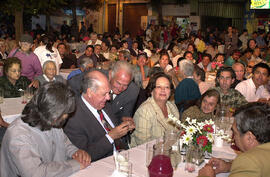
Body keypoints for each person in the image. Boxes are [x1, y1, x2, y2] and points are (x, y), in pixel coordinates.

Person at [0, 82, 91, 177]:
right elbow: (35, 173)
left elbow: (65, 143)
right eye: (65, 113)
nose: (67, 116)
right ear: (53, 115)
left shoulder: (51, 121)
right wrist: (74, 165)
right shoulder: (18, 134)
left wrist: (76, 152)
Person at [64, 70, 135, 162]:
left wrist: (124, 126)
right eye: (104, 94)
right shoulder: (73, 118)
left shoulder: (104, 105)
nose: (108, 97)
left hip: (122, 156)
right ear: (89, 92)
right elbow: (84, 155)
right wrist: (110, 137)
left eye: (109, 93)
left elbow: (110, 126)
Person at [198, 102, 270, 177]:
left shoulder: (250, 160)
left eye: (235, 133)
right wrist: (229, 166)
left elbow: (253, 164)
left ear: (249, 138)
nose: (233, 138)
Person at [130, 73, 179, 147]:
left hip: (169, 150)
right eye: (159, 87)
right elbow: (143, 144)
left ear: (170, 91)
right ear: (152, 91)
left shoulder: (172, 106)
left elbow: (177, 132)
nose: (163, 90)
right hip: (147, 153)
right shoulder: (145, 111)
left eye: (167, 87)